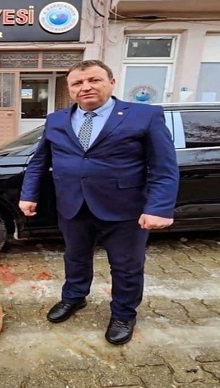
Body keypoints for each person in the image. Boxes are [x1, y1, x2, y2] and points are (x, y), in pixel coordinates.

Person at [18, 60, 179, 345]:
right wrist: (29, 195)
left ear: (112, 82)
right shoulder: (57, 119)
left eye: (94, 80)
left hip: (126, 208)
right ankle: (74, 298)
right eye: (77, 83)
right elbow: (40, 161)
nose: (86, 87)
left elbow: (164, 166)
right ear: (69, 90)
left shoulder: (145, 115)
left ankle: (123, 313)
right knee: (75, 257)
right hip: (72, 205)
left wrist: (158, 208)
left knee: (126, 265)